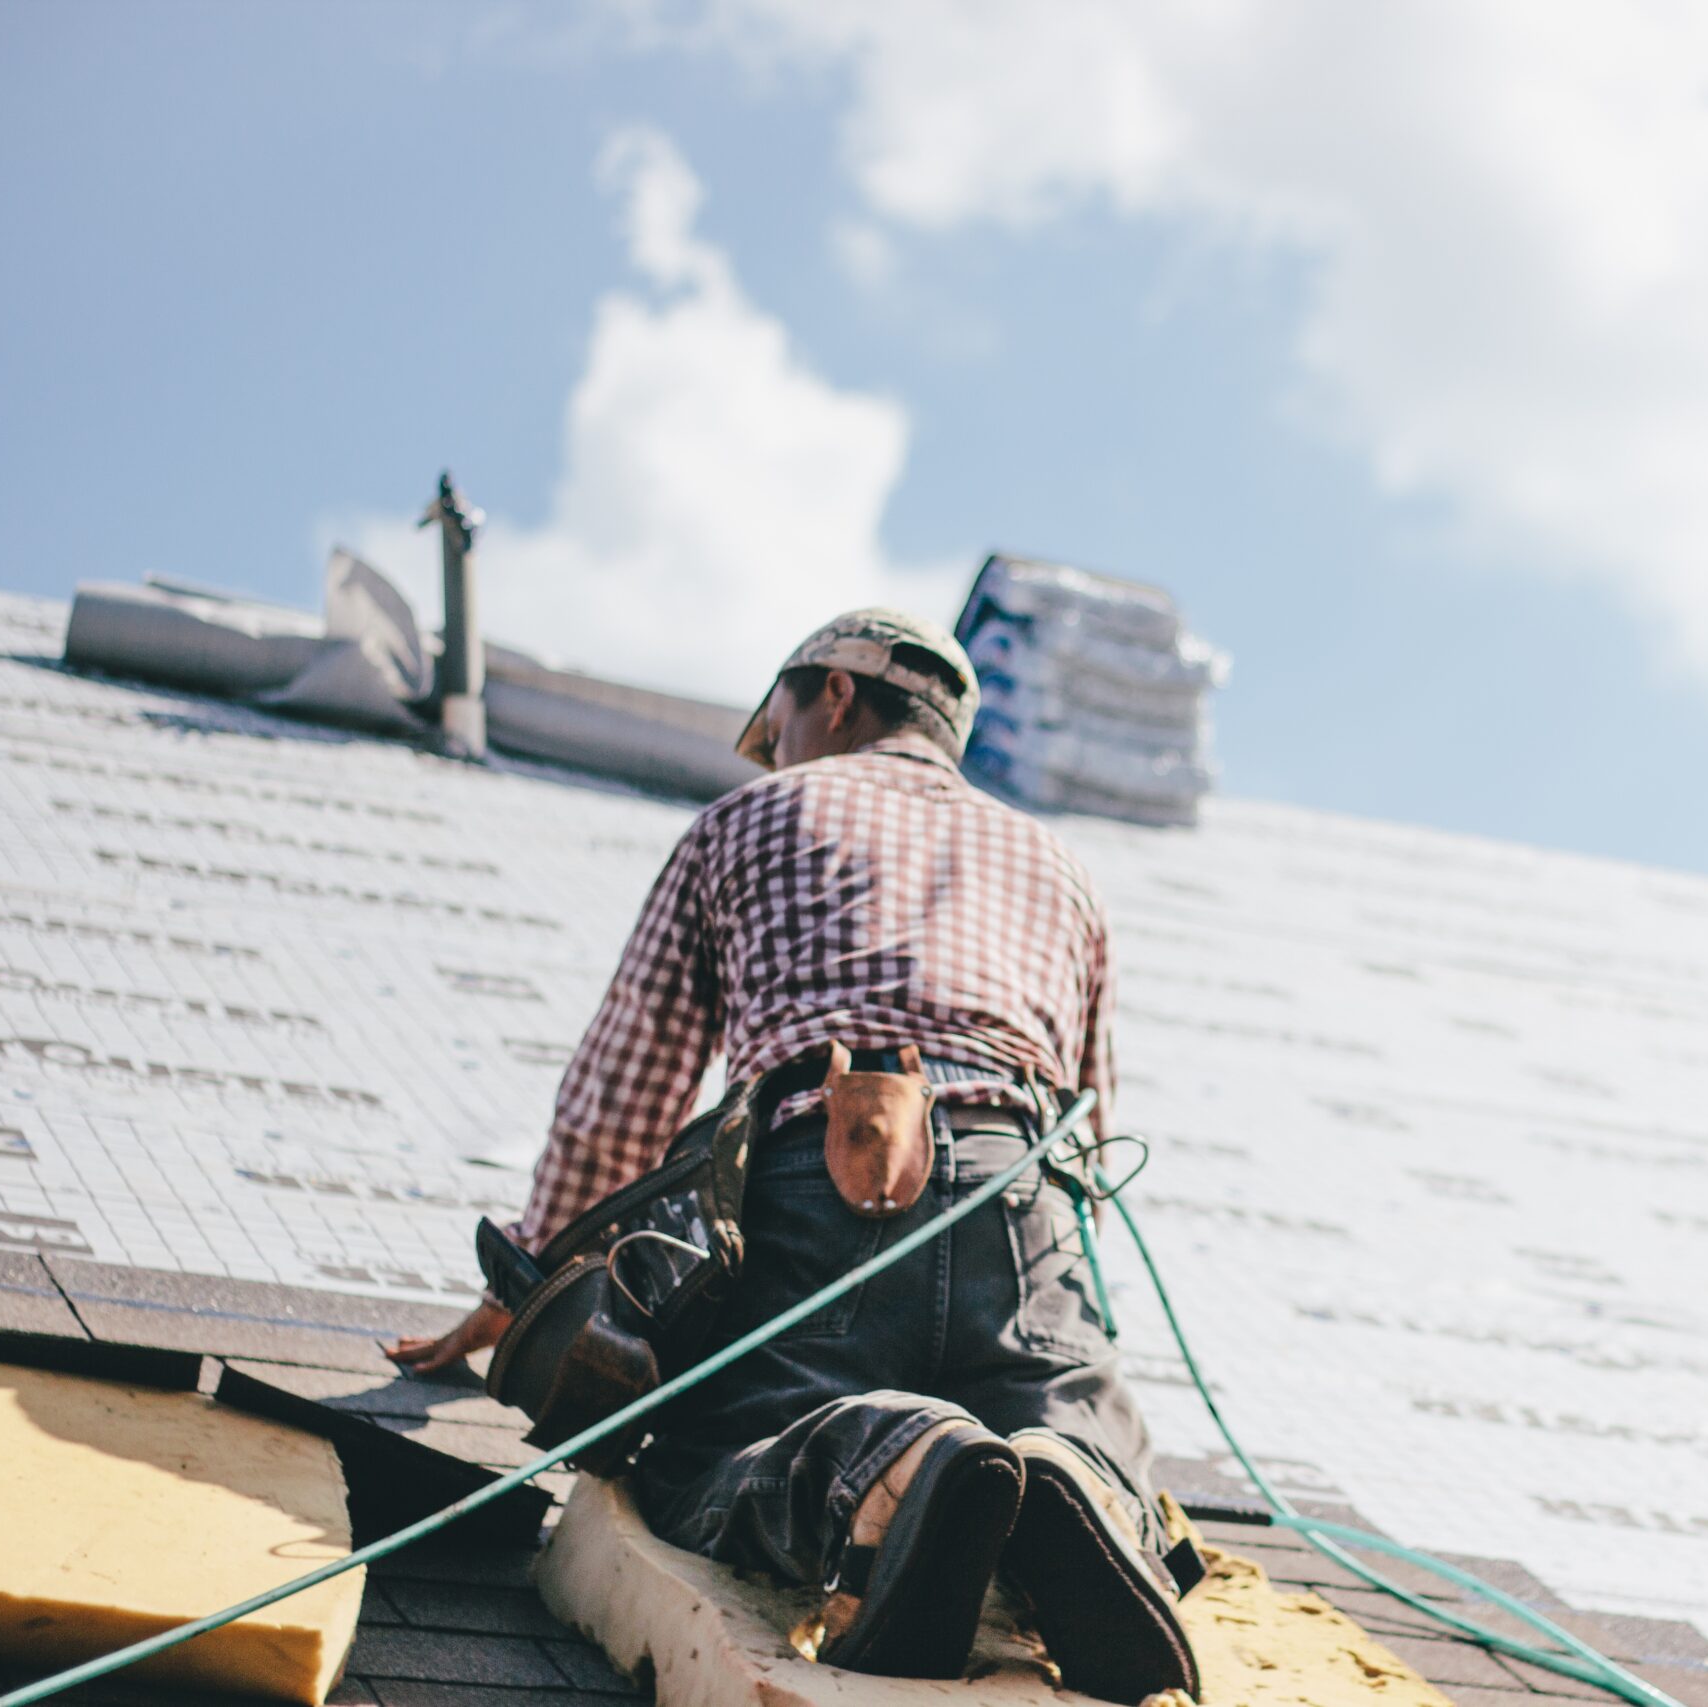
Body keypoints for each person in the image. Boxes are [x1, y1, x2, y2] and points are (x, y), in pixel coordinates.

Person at [388, 609, 1197, 1702]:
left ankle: (894, 1464)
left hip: (819, 1177)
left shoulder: (752, 817)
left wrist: (531, 1282)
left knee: (710, 1450)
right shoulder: (1059, 866)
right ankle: (1074, 1483)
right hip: (1023, 1194)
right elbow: (1092, 1125)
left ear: (831, 697)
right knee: (1060, 1417)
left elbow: (625, 1090)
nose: (773, 747)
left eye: (775, 723)